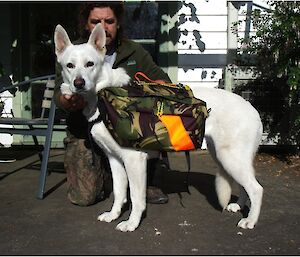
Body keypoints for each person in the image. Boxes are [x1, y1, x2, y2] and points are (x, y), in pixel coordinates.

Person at [54, 2, 170, 206]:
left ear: (117, 24)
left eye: (109, 21)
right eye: (96, 21)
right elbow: (60, 93)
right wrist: (68, 101)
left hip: (129, 132)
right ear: (87, 24)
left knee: (135, 163)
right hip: (85, 133)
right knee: (85, 197)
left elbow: (163, 82)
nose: (104, 26)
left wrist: (142, 91)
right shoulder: (72, 52)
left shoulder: (133, 51)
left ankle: (143, 178)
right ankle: (108, 175)